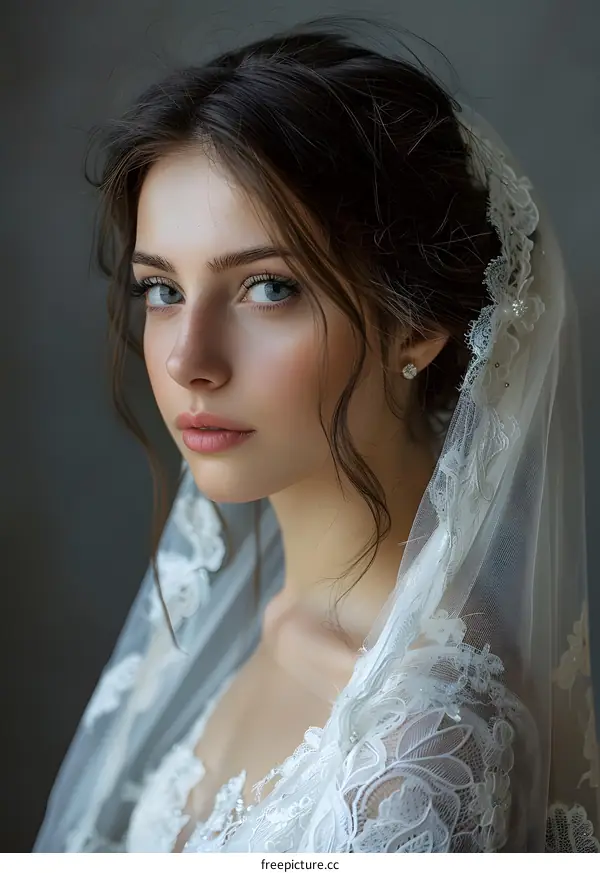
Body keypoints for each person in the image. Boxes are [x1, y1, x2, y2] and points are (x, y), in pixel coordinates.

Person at [34, 19, 599, 853]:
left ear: (419, 326)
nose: (190, 359)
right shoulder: (261, 615)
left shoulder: (418, 755)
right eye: (161, 289)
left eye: (267, 287)